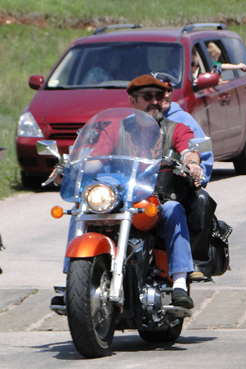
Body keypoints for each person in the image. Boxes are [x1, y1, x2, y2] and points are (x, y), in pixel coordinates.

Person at [64, 75, 201, 309]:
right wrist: (77, 166)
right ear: (132, 101)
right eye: (148, 97)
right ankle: (72, 278)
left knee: (174, 209)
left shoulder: (175, 129)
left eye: (158, 96)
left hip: (156, 196)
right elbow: (98, 156)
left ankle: (179, 283)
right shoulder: (116, 130)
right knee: (81, 207)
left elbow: (189, 149)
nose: (154, 102)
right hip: (121, 196)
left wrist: (192, 162)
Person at [152, 72, 218, 279]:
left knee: (201, 200)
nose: (163, 96)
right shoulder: (135, 120)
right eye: (156, 92)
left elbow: (200, 152)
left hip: (175, 186)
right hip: (142, 187)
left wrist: (196, 172)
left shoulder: (183, 121)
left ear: (172, 93)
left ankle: (197, 263)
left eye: (167, 90)